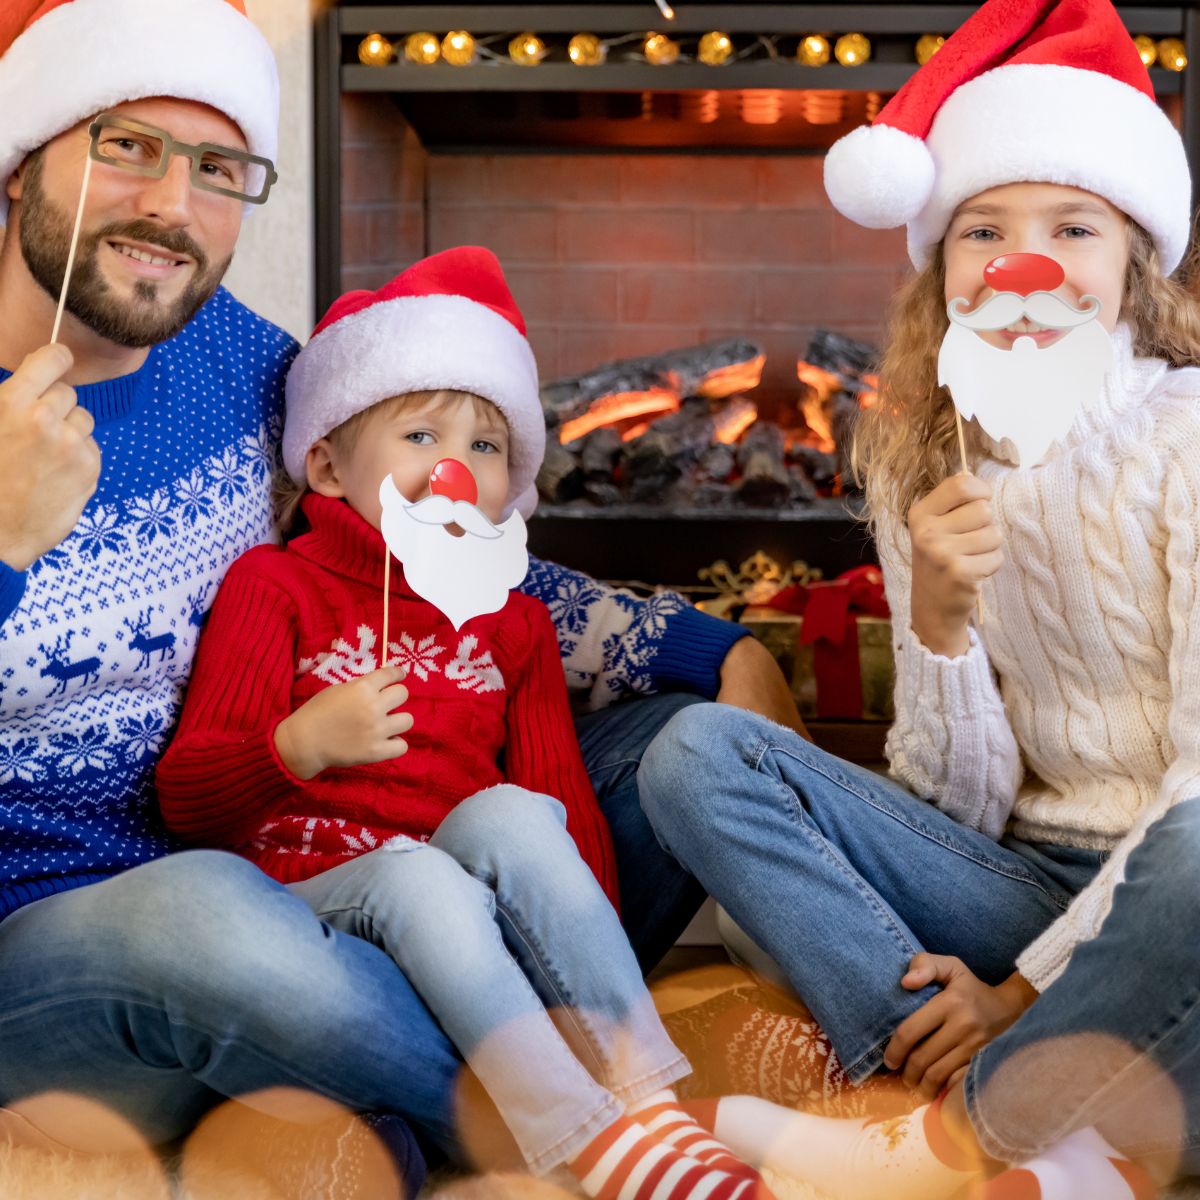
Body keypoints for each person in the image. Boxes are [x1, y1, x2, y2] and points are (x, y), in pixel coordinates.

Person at [0, 1, 802, 1189]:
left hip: (322, 862)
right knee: (218, 920)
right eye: (127, 144)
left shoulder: (233, 361)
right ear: (24, 161)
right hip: (74, 937)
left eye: (218, 169)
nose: (172, 205)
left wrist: (693, 645)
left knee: (666, 753)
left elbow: (417, 537)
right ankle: (606, 1126)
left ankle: (365, 1105)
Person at [638, 0, 1200, 1196]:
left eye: (1073, 227)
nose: (1022, 262)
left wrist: (1020, 992)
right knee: (698, 756)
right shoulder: (923, 462)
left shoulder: (1187, 445)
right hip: (1011, 875)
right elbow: (952, 805)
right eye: (981, 228)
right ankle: (956, 1095)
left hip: (1161, 893)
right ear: (941, 266)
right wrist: (938, 629)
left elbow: (1193, 797)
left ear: (1133, 262)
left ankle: (953, 1137)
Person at [158, 246, 779, 1200]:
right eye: (419, 436)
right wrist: (300, 745)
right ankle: (585, 1140)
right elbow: (187, 798)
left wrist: (582, 955)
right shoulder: (273, 586)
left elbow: (562, 817)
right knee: (421, 884)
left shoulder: (517, 620)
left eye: (484, 447)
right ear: (325, 463)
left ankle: (649, 1104)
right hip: (309, 911)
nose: (454, 467)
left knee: (515, 818)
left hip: (468, 932)